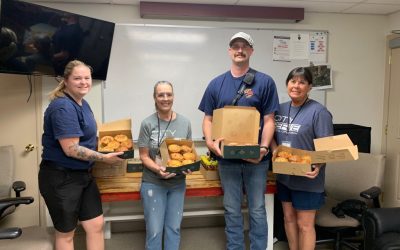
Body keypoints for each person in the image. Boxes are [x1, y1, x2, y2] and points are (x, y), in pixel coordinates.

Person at [198, 32, 280, 250]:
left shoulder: (265, 82)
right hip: (227, 159)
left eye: (245, 46)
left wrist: (263, 148)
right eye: (236, 46)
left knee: (257, 209)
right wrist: (209, 142)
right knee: (232, 209)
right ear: (229, 51)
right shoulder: (216, 84)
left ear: (251, 51)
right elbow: (208, 119)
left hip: (256, 159)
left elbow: (270, 119)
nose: (240, 50)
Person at [39, 60, 124, 250]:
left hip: (83, 176)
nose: (84, 82)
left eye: (87, 77)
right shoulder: (63, 107)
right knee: (66, 233)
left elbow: (88, 139)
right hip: (60, 178)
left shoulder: (83, 103)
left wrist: (107, 147)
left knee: (95, 225)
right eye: (77, 78)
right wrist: (104, 158)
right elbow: (71, 149)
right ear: (66, 80)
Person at [272, 67, 333, 250]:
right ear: (287, 84)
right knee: (288, 219)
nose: (296, 86)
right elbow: (273, 138)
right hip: (285, 176)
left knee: (304, 225)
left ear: (310, 87)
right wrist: (275, 150)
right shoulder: (280, 109)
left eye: (302, 82)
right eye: (293, 81)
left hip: (307, 179)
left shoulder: (319, 112)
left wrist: (318, 165)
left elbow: (326, 148)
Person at [138, 80, 192, 250]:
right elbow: (144, 156)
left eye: (169, 94)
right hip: (153, 183)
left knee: (173, 228)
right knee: (154, 231)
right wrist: (157, 169)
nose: (165, 98)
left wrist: (188, 167)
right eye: (161, 94)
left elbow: (186, 154)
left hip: (177, 184)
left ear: (173, 96)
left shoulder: (185, 122)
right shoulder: (147, 123)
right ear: (155, 97)